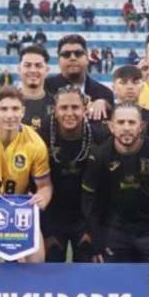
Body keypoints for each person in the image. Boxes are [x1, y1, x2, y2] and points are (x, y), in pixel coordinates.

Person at [81, 103, 149, 262]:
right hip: (115, 232)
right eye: (121, 122)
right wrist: (97, 240)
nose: (126, 127)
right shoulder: (99, 156)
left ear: (141, 126)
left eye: (131, 122)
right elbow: (89, 200)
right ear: (111, 127)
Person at [0, 87, 52, 263]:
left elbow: (45, 186)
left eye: (15, 109)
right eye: (4, 109)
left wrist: (42, 198)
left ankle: (28, 290)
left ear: (23, 111)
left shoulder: (35, 143)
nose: (10, 115)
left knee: (36, 259)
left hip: (20, 209)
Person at [42, 87, 106, 262]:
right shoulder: (42, 135)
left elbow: (104, 189)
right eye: (63, 108)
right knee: (49, 277)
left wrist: (94, 230)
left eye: (75, 107)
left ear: (84, 109)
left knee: (87, 277)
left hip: (86, 218)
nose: (69, 113)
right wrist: (45, 230)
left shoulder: (100, 136)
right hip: (52, 217)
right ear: (55, 111)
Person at [45, 34, 114, 118]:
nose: (72, 58)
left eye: (78, 53)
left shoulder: (104, 94)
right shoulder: (45, 89)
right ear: (58, 61)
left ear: (87, 59)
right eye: (66, 54)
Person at [110, 65, 149, 141]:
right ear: (113, 87)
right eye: (123, 82)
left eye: (135, 82)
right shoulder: (103, 115)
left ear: (142, 87)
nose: (130, 87)